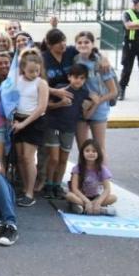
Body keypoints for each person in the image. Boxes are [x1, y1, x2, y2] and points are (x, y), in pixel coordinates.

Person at [43, 63, 96, 200]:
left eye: (82, 78)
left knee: (63, 159)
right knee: (54, 158)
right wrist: (60, 104)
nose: (78, 80)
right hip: (54, 126)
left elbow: (85, 115)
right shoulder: (61, 89)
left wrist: (95, 103)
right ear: (69, 77)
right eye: (75, 77)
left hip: (69, 129)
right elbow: (46, 106)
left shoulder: (84, 93)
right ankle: (48, 185)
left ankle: (57, 185)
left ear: (85, 80)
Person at [11, 51, 49, 207]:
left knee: (28, 157)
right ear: (23, 69)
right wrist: (14, 120)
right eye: (30, 71)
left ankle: (30, 193)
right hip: (17, 119)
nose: (34, 74)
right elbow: (12, 100)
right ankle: (25, 187)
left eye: (37, 71)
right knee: (20, 158)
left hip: (33, 121)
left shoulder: (41, 83)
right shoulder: (17, 80)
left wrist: (23, 124)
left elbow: (41, 108)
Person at [74, 31, 117, 155]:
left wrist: (96, 102)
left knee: (99, 148)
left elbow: (113, 92)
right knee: (82, 149)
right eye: (80, 42)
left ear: (92, 44)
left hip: (99, 109)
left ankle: (103, 175)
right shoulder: (76, 59)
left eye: (86, 42)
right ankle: (84, 174)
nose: (83, 45)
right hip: (81, 108)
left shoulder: (100, 63)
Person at [65, 138, 117, 215]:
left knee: (113, 197)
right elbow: (74, 188)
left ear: (98, 153)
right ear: (82, 153)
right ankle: (99, 209)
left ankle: (85, 208)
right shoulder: (77, 168)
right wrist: (86, 201)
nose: (91, 153)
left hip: (95, 197)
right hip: (81, 197)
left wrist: (98, 202)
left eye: (94, 151)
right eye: (87, 151)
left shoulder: (102, 169)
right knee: (69, 196)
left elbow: (107, 189)